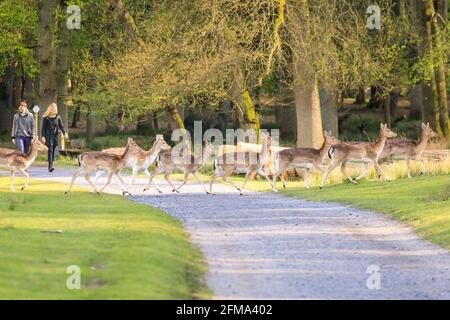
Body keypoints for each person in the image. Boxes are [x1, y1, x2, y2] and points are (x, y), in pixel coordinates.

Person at [41, 103, 69, 172]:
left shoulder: (58, 116)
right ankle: (50, 167)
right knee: (50, 150)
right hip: (48, 135)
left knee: (53, 150)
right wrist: (43, 136)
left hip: (55, 136)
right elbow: (43, 128)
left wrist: (64, 132)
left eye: (55, 109)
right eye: (53, 109)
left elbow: (61, 125)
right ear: (50, 109)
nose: (54, 110)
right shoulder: (46, 117)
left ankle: (51, 164)